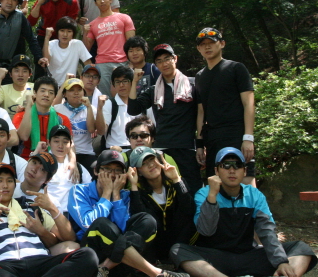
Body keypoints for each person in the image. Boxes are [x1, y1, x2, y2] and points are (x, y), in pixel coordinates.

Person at [170, 147, 317, 277]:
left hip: (248, 255)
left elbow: (267, 231)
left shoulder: (254, 195)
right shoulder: (204, 194)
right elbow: (205, 230)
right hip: (215, 259)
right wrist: (212, 197)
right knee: (178, 250)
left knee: (301, 248)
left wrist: (281, 262)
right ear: (216, 171)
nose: (232, 170)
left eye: (238, 165)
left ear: (244, 171)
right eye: (226, 165)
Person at [0, 163, 99, 277]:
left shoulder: (30, 206)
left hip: (40, 262)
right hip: (6, 267)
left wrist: (51, 208)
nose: (5, 185)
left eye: (9, 181)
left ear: (15, 185)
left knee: (88, 255)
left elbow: (69, 236)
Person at [67, 150, 187, 277]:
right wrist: (107, 194)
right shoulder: (79, 191)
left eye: (118, 170)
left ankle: (104, 268)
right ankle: (156, 273)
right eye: (107, 169)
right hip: (93, 251)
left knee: (147, 220)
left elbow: (124, 230)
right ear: (96, 171)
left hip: (120, 255)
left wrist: (116, 195)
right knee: (102, 223)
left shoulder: (124, 195)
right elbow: (88, 224)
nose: (113, 175)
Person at [127, 44, 201, 192]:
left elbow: (202, 114)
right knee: (168, 191)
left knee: (192, 189)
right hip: (163, 148)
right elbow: (133, 109)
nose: (164, 63)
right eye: (159, 61)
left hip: (187, 147)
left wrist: (201, 144)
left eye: (167, 59)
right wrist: (134, 81)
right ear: (156, 65)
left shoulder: (192, 85)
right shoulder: (154, 90)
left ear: (175, 59)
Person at [194, 28, 256, 185]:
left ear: (222, 44)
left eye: (211, 42)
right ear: (198, 48)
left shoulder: (236, 68)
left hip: (236, 134)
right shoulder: (200, 77)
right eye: (203, 44)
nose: (207, 46)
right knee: (215, 183)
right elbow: (201, 112)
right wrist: (200, 144)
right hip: (212, 138)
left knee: (246, 180)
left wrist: (248, 138)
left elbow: (248, 103)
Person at [128, 146, 196, 263]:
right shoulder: (138, 193)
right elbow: (141, 219)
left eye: (152, 159)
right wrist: (134, 186)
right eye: (144, 163)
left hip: (181, 244)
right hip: (154, 249)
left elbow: (190, 209)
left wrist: (176, 179)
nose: (151, 165)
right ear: (138, 171)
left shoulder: (176, 183)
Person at [83, 0, 135, 97]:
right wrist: (84, 33)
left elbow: (132, 42)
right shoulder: (93, 24)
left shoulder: (124, 18)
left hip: (123, 62)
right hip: (102, 64)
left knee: (126, 95)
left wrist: (131, 63)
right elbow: (86, 49)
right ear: (95, 3)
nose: (102, 1)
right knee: (105, 98)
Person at [0, 0, 45, 86]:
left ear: (17, 3)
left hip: (9, 66)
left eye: (14, 0)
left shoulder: (20, 17)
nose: (10, 2)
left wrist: (39, 57)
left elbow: (31, 39)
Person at [27, 0, 79, 80]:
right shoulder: (43, 2)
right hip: (43, 37)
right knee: (41, 67)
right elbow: (31, 22)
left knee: (60, 66)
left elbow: (71, 24)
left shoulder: (71, 2)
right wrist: (38, 4)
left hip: (63, 38)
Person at [94, 66, 154, 154]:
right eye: (117, 82)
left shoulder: (142, 103)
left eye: (125, 81)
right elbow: (101, 131)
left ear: (133, 82)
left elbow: (152, 128)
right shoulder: (109, 104)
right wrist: (99, 109)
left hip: (140, 150)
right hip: (115, 151)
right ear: (113, 84)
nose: (121, 85)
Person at [13, 76, 72, 159]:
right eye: (42, 91)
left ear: (55, 96)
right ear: (35, 93)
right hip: (25, 159)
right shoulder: (21, 115)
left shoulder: (62, 119)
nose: (46, 95)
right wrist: (28, 106)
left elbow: (68, 144)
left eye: (51, 92)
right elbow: (23, 136)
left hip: (53, 159)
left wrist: (72, 161)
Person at [53, 78, 104, 173]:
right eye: (71, 90)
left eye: (79, 90)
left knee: (96, 170)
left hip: (85, 152)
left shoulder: (91, 109)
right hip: (64, 153)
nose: (76, 93)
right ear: (64, 94)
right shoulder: (57, 109)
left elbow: (92, 130)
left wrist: (88, 107)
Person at [42, 125, 92, 215]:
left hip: (73, 216)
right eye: (56, 141)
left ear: (70, 144)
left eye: (65, 142)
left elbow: (90, 190)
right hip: (48, 214)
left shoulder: (78, 168)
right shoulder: (41, 165)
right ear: (49, 142)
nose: (60, 146)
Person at [43, 16, 93, 85]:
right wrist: (47, 38)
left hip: (70, 86)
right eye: (62, 31)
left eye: (69, 31)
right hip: (53, 85)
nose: (65, 34)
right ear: (57, 32)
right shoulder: (51, 44)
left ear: (73, 33)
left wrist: (88, 80)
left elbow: (88, 64)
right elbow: (46, 62)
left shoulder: (77, 44)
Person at [0, 54, 34, 119]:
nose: (20, 75)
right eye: (16, 71)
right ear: (10, 74)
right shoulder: (3, 89)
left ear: (30, 74)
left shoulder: (35, 88)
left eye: (24, 71)